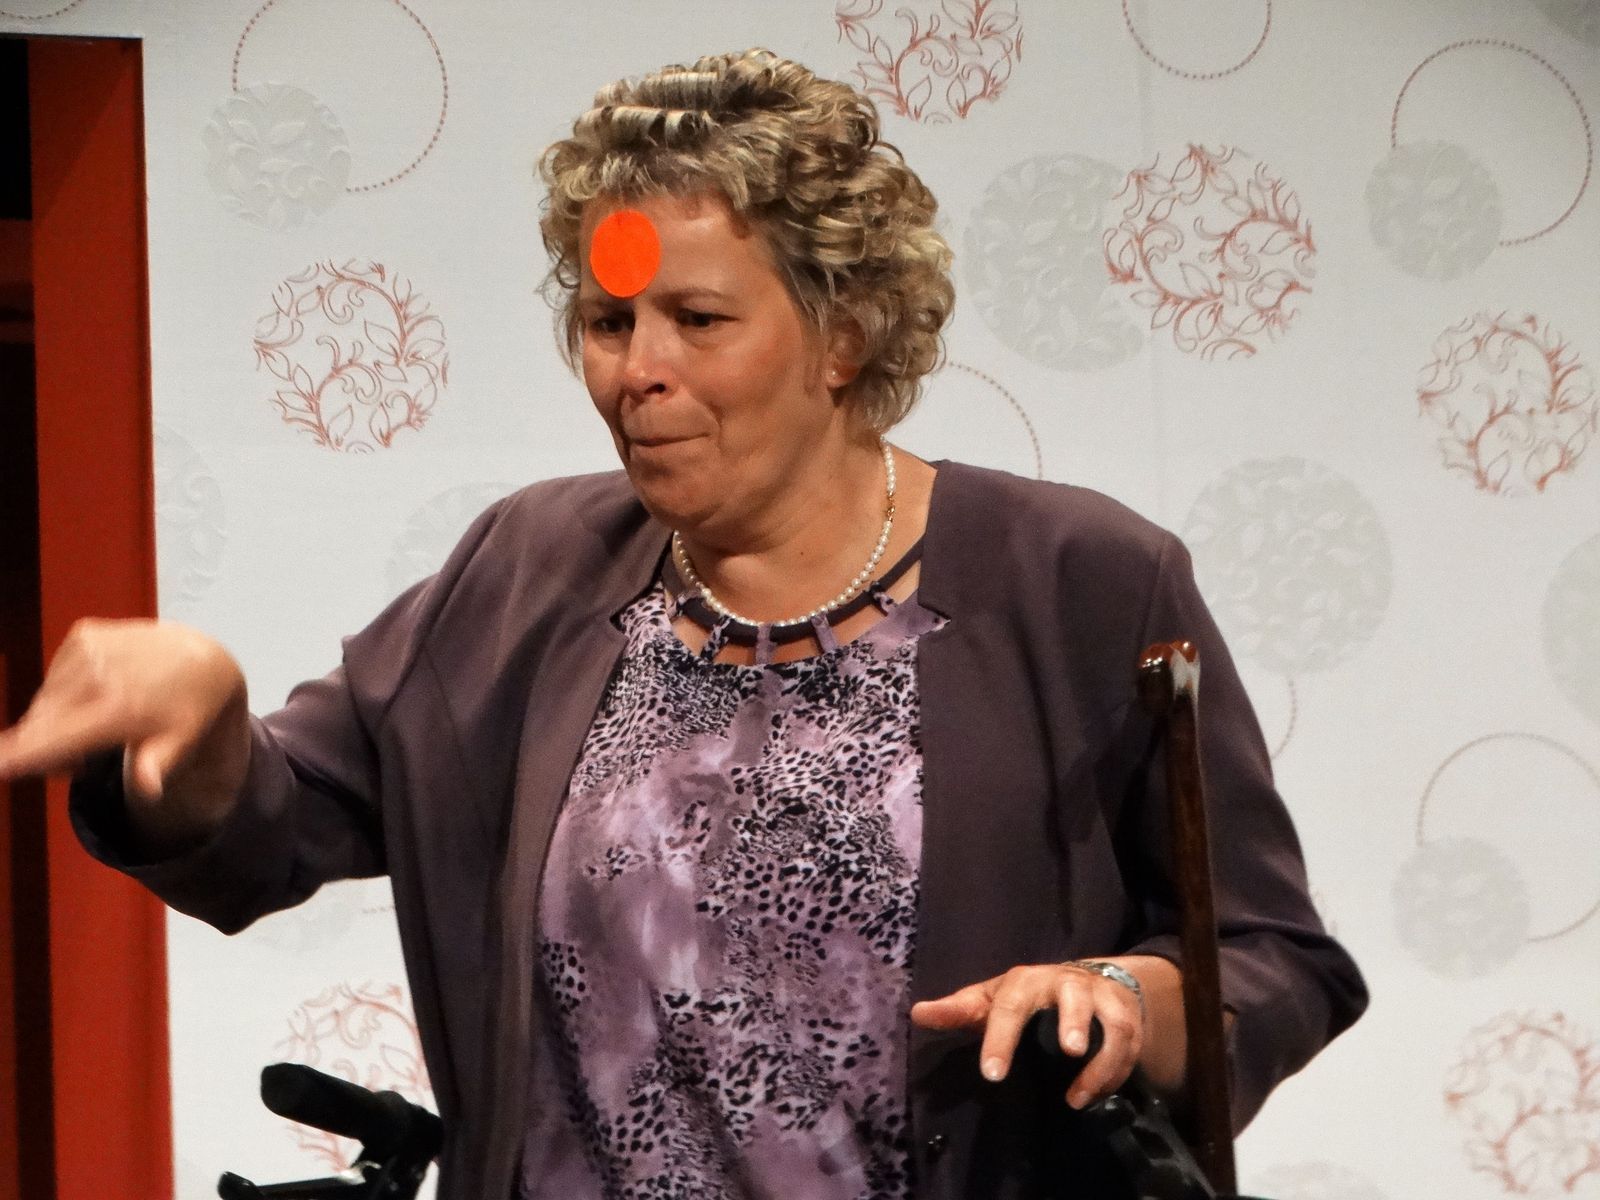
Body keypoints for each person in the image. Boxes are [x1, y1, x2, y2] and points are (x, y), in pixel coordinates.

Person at [0, 49, 1365, 1200]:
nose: (636, 371)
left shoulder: (1080, 581)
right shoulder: (528, 570)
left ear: (845, 332)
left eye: (697, 318)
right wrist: (202, 734)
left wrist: (1128, 997)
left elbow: (1274, 960)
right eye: (608, 320)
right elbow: (274, 822)